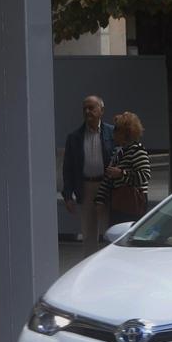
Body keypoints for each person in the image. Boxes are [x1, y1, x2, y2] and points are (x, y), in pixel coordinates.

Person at [62, 95, 115, 256]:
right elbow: (68, 168)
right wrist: (68, 196)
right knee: (88, 234)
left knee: (109, 232)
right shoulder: (74, 137)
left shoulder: (112, 133)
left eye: (92, 108)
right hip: (85, 188)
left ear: (101, 110)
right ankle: (89, 266)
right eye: (85, 108)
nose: (87, 111)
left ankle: (108, 265)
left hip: (106, 187)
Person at [94, 111, 152, 226]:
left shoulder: (137, 150)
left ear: (125, 133)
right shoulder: (118, 151)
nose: (113, 133)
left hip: (132, 203)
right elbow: (109, 177)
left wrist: (122, 174)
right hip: (118, 201)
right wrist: (99, 199)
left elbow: (145, 175)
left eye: (116, 129)